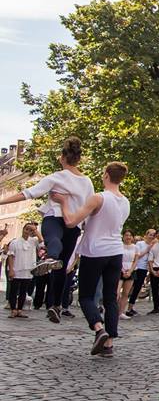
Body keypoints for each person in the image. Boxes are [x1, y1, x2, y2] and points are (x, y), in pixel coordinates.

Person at [0, 137, 93, 324]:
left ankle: (50, 257)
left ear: (62, 158)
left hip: (54, 217)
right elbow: (89, 207)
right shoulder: (87, 182)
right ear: (79, 159)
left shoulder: (56, 177)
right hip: (73, 224)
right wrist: (87, 228)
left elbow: (28, 193)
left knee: (52, 239)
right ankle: (55, 305)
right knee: (61, 269)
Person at [51, 162, 130, 357]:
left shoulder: (98, 198)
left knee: (86, 296)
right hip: (115, 252)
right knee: (111, 297)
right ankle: (109, 344)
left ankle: (98, 328)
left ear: (105, 175)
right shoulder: (125, 202)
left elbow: (70, 222)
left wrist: (63, 203)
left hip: (94, 251)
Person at [5, 223, 42, 319]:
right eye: (27, 229)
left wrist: (36, 231)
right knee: (14, 291)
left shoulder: (33, 241)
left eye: (31, 230)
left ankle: (20, 310)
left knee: (23, 291)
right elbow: (11, 256)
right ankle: (13, 309)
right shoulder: (15, 242)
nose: (28, 232)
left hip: (28, 270)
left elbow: (42, 242)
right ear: (23, 229)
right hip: (17, 269)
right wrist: (11, 269)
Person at [125, 230, 155, 317]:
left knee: (137, 289)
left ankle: (130, 308)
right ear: (146, 235)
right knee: (128, 288)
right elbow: (137, 256)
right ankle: (122, 306)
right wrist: (147, 249)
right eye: (150, 235)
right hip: (136, 268)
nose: (151, 236)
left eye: (153, 235)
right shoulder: (140, 244)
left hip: (144, 269)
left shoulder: (153, 245)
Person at [117, 231, 137, 320]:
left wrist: (130, 271)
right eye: (126, 235)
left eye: (130, 235)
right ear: (123, 236)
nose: (128, 237)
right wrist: (122, 270)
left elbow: (135, 261)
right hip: (119, 270)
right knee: (116, 293)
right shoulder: (119, 246)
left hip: (131, 270)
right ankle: (114, 310)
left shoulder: (135, 247)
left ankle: (121, 312)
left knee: (126, 293)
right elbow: (117, 258)